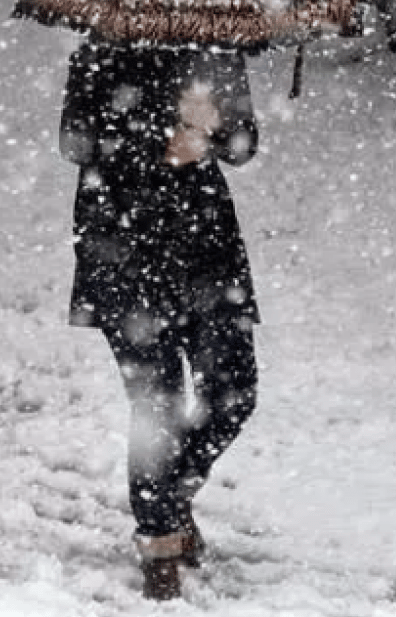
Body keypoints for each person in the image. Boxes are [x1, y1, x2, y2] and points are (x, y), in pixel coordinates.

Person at [59, 36, 260, 600]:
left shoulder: (218, 53)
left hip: (206, 252)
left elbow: (244, 147)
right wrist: (162, 136)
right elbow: (75, 143)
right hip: (123, 247)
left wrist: (213, 129)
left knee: (234, 391)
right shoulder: (98, 54)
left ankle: (171, 500)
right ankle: (158, 542)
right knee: (158, 405)